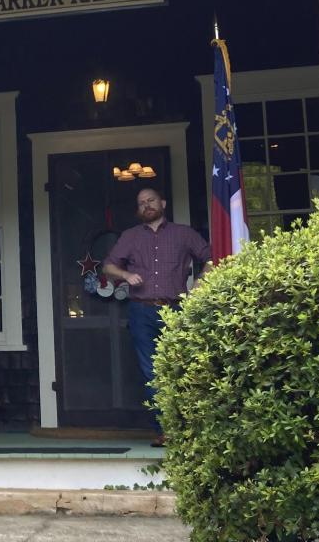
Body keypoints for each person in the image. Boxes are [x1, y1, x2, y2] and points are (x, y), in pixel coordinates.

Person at [102, 188, 212, 446]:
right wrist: (126, 275)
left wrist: (199, 285)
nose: (146, 206)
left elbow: (212, 257)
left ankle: (190, 428)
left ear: (163, 203)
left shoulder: (183, 233)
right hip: (141, 310)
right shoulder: (130, 237)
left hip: (176, 310)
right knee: (151, 371)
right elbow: (108, 265)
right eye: (141, 203)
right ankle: (165, 430)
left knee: (181, 368)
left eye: (151, 200)